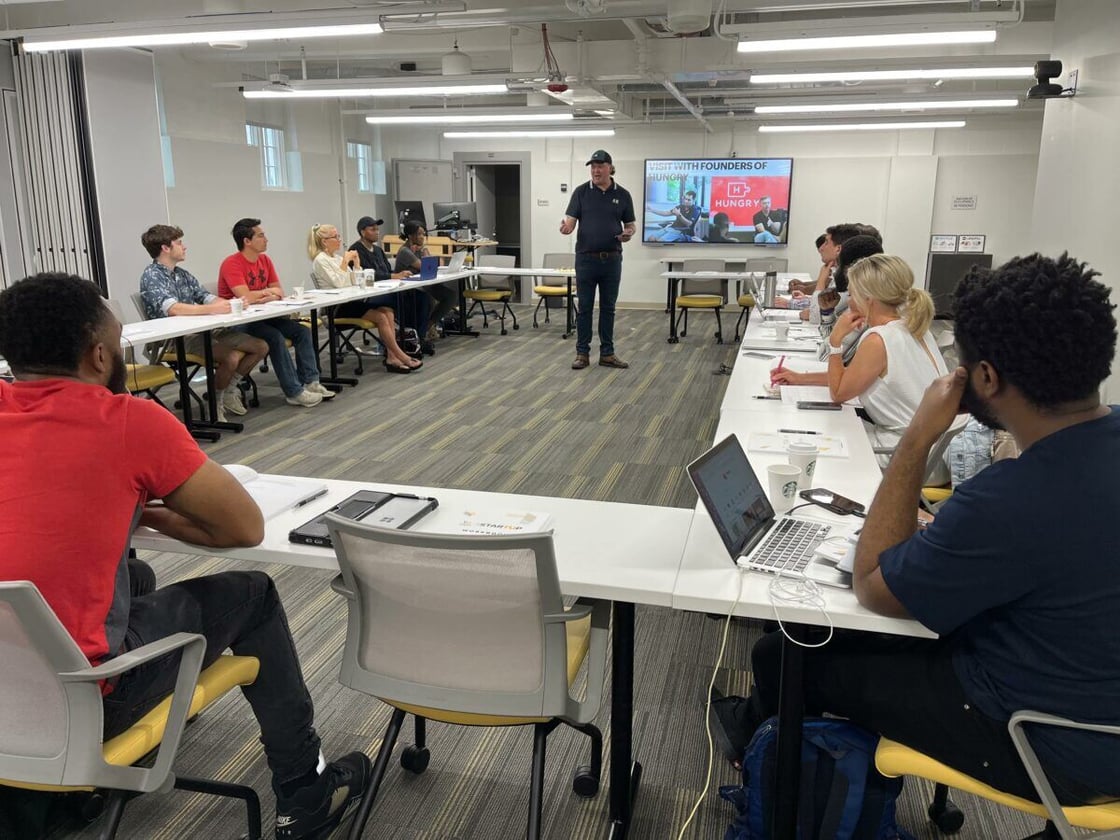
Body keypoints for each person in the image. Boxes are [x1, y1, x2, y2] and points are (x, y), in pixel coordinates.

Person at [720, 252, 1120, 807]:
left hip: (1050, 741)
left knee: (780, 654)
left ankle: (786, 796)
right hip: (1092, 701)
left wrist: (916, 437)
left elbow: (872, 583)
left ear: (985, 378)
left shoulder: (1007, 497)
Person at [0, 274, 372, 839]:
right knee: (253, 592)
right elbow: (243, 527)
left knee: (135, 575)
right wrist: (150, 509)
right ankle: (305, 792)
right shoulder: (128, 421)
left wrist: (120, 510)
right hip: (78, 699)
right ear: (99, 354)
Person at [138, 224, 269, 423]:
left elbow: (205, 297)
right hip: (176, 339)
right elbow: (174, 309)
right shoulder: (152, 276)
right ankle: (215, 402)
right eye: (179, 243)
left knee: (260, 346)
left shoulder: (182, 274)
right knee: (231, 357)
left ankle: (230, 390)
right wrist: (213, 309)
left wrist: (230, 304)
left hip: (204, 330)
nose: (184, 247)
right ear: (165, 248)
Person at [218, 218, 332, 407]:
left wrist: (266, 295)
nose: (266, 239)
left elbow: (279, 291)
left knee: (301, 331)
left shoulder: (265, 260)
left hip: (265, 316)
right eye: (261, 236)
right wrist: (266, 293)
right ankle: (293, 392)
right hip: (239, 322)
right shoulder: (232, 264)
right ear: (247, 241)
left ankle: (311, 382)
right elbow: (245, 297)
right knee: (274, 337)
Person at [308, 223, 421, 373]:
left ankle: (392, 357)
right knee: (381, 316)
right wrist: (344, 262)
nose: (339, 240)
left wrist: (356, 264)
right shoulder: (321, 260)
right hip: (336, 308)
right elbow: (340, 283)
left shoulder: (336, 257)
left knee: (388, 311)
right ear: (324, 241)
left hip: (351, 301)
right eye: (335, 237)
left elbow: (355, 281)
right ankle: (401, 355)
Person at [560, 149, 636, 370]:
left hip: (612, 259)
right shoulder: (581, 192)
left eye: (600, 166)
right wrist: (566, 228)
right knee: (584, 307)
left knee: (608, 308)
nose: (595, 170)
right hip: (586, 259)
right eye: (593, 167)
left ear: (610, 168)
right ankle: (582, 353)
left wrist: (629, 233)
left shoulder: (623, 195)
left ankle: (608, 353)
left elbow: (630, 225)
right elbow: (570, 222)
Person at [394, 219, 457, 350]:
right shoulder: (405, 251)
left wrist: (424, 249)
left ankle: (429, 324)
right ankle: (421, 335)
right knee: (426, 299)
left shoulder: (418, 248)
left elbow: (433, 266)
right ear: (411, 236)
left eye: (424, 234)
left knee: (450, 296)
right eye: (419, 234)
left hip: (423, 284)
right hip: (407, 288)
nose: (422, 237)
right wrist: (424, 252)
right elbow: (425, 266)